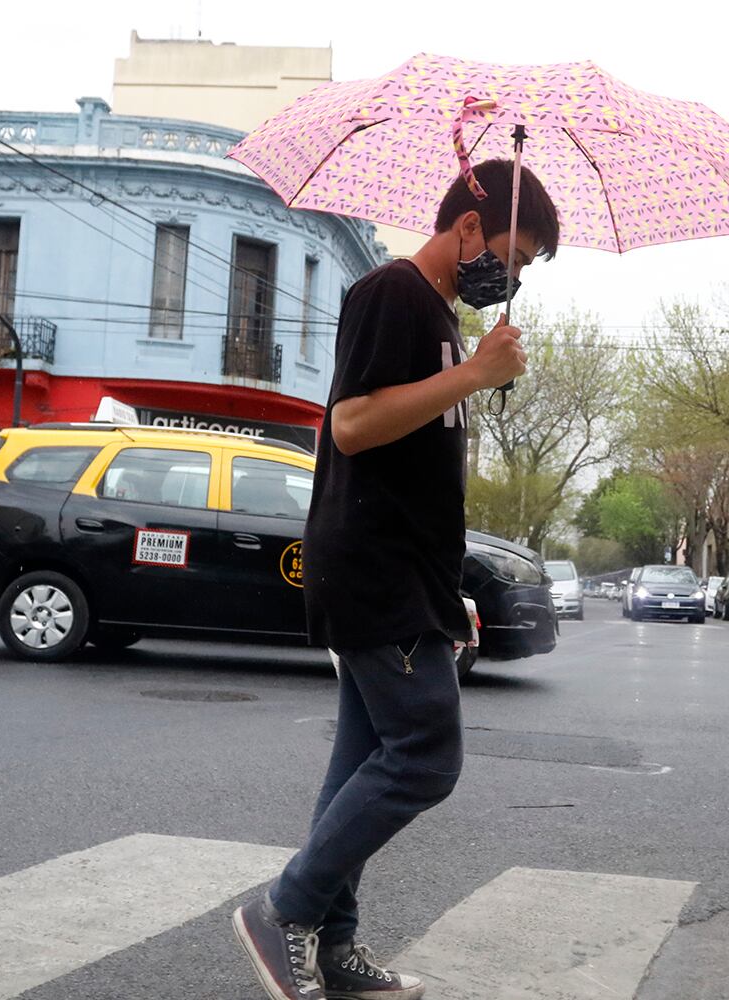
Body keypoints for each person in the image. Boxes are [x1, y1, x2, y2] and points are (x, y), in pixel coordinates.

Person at [231, 159, 560, 1000]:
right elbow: (350, 426)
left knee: (361, 763)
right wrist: (474, 375)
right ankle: (285, 911)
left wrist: (445, 578)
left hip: (408, 571)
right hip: (372, 568)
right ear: (466, 229)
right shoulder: (391, 293)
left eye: (521, 270)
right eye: (512, 257)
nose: (510, 276)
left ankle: (334, 949)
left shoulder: (440, 317)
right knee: (424, 756)